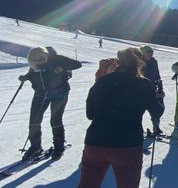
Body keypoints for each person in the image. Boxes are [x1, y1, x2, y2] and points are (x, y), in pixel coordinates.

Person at [79, 48, 164, 188]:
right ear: (139, 63)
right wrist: (159, 98)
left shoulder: (102, 81)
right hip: (127, 144)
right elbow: (156, 113)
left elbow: (90, 114)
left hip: (95, 141)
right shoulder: (144, 84)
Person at [18, 46, 82, 159]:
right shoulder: (35, 59)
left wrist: (62, 67)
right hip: (40, 93)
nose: (37, 62)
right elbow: (32, 72)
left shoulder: (57, 59)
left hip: (59, 93)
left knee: (55, 119)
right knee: (34, 120)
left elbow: (77, 64)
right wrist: (25, 77)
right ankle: (35, 146)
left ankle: (59, 146)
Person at [140, 46, 165, 135]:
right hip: (140, 88)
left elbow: (157, 74)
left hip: (152, 88)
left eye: (151, 52)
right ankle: (138, 129)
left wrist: (160, 86)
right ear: (143, 53)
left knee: (157, 108)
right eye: (148, 52)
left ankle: (156, 126)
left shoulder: (154, 61)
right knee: (139, 110)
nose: (150, 54)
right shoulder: (138, 62)